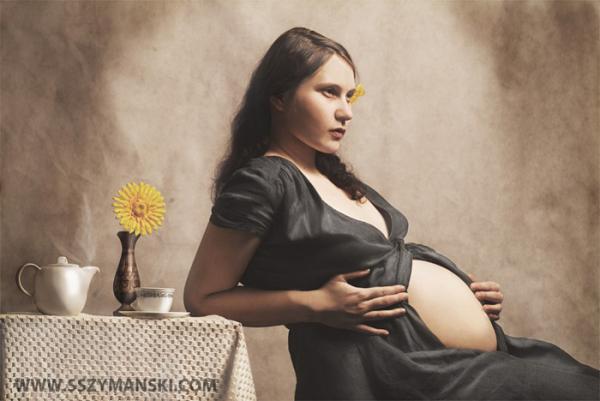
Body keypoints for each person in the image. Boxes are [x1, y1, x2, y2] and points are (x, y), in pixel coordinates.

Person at [184, 27, 599, 400]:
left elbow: (382, 267)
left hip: (449, 358)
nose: (346, 111)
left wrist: (467, 294)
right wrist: (314, 304)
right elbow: (202, 299)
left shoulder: (330, 174)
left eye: (350, 96)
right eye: (329, 92)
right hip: (399, 368)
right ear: (278, 97)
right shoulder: (263, 181)